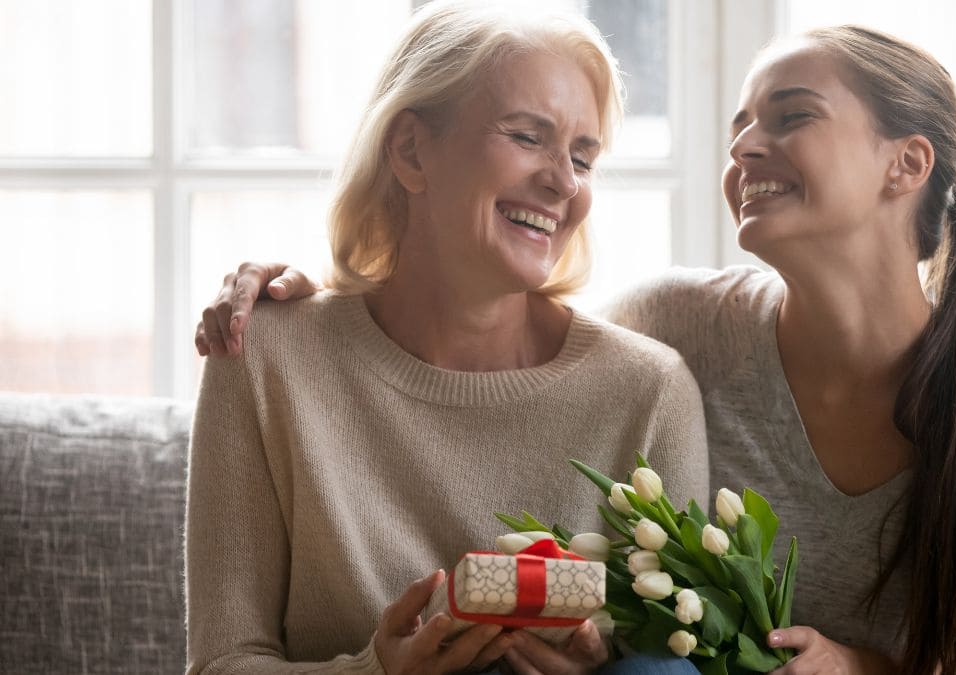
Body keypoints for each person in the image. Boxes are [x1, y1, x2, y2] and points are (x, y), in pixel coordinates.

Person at [196, 25, 956, 675]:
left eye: (790, 116)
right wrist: (295, 293)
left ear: (906, 165)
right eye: (742, 122)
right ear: (409, 147)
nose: (744, 145)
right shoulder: (677, 332)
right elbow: (470, 306)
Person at [184, 2, 710, 674]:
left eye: (582, 155)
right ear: (410, 150)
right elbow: (224, 661)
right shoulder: (264, 357)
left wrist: (601, 664)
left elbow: (675, 650)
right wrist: (378, 671)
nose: (564, 181)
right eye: (527, 136)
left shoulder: (648, 389)